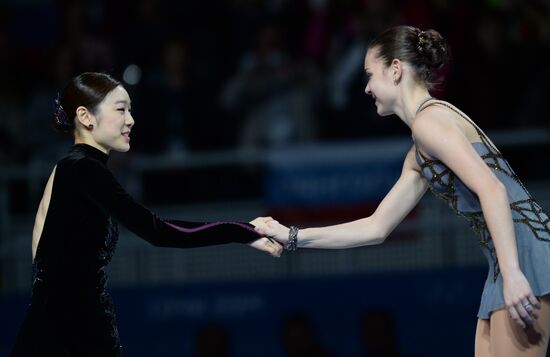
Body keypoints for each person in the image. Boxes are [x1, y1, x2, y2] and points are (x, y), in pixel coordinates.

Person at [255, 26, 550, 357]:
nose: (366, 88)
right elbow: (376, 227)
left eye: (370, 75)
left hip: (524, 255)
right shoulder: (419, 151)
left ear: (395, 70)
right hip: (505, 261)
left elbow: (493, 190)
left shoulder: (430, 122)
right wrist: (291, 236)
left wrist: (513, 273)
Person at [11, 72, 282, 357]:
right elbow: (157, 230)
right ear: (85, 116)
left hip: (62, 325)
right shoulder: (84, 169)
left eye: (130, 109)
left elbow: (40, 256)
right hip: (70, 331)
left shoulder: (66, 169)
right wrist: (241, 231)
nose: (131, 120)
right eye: (120, 109)